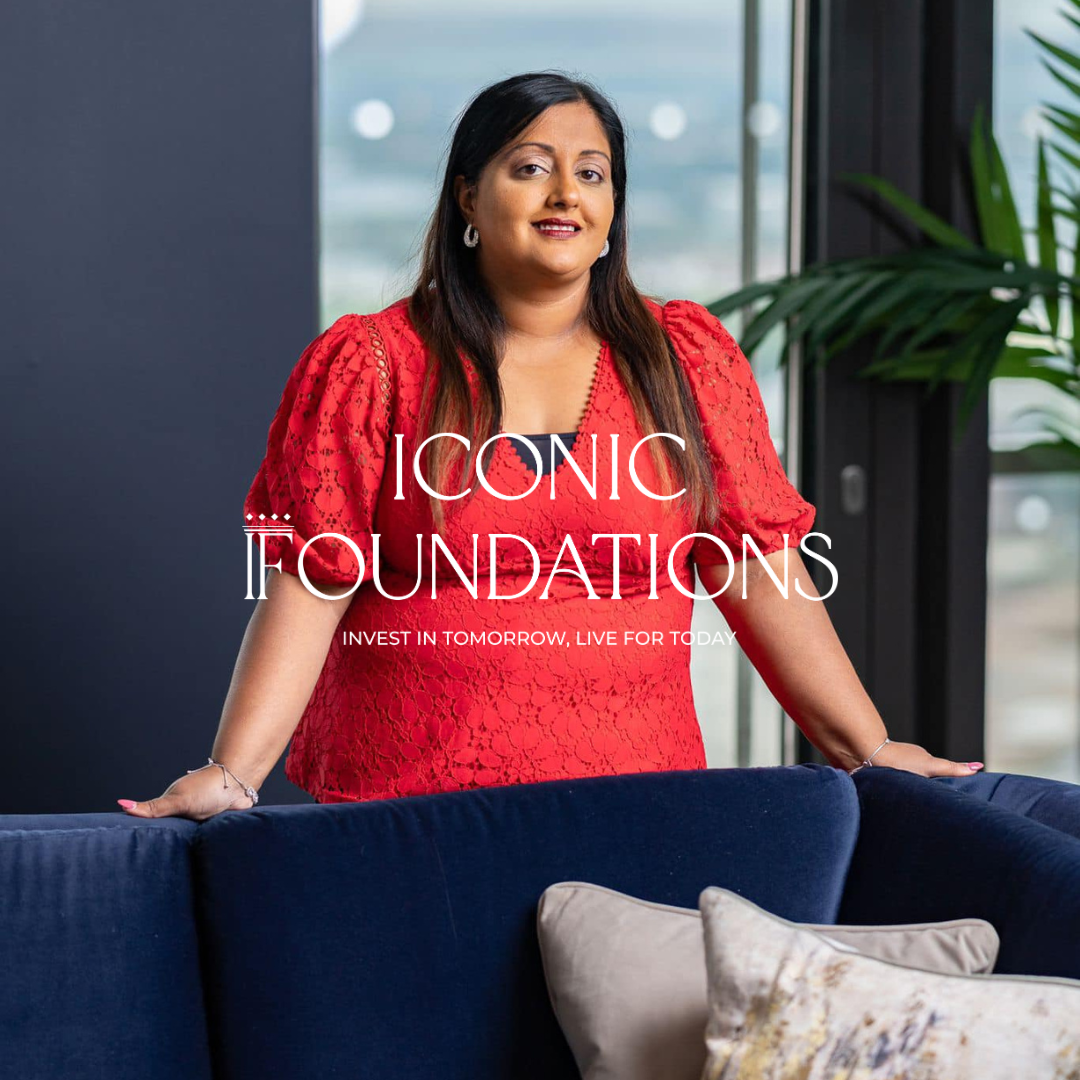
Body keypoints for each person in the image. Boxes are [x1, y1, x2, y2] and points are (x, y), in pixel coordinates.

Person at [118, 72, 984, 822]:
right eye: (530, 167)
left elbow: (757, 568)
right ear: (467, 198)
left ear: (612, 211)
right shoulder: (374, 363)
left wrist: (867, 748)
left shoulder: (682, 359)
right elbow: (312, 583)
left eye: (592, 173)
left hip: (641, 807)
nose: (565, 193)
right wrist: (234, 773)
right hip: (411, 814)